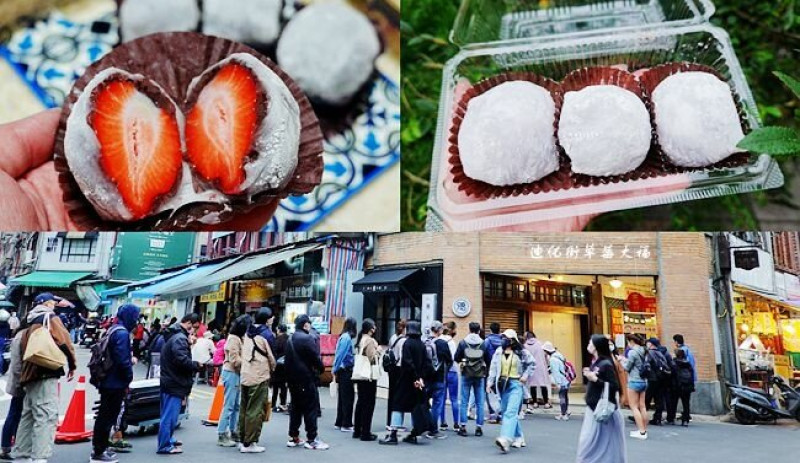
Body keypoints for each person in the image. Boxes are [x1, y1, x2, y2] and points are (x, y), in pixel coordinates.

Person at [14, 293, 77, 463]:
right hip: (45, 370)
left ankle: (21, 454)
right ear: (47, 303)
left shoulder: (28, 319)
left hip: (29, 372)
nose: (55, 305)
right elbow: (64, 341)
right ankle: (39, 457)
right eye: (53, 302)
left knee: (28, 415)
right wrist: (72, 364)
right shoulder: (50, 317)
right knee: (46, 415)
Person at [90, 304, 140, 463]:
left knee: (105, 415)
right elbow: (122, 360)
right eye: (135, 316)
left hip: (107, 379)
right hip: (114, 382)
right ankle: (98, 452)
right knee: (107, 416)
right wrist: (128, 377)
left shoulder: (113, 329)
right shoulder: (122, 333)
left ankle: (101, 448)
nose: (137, 319)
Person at [576, 335, 627, 463]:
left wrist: (595, 379)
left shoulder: (606, 363)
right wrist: (590, 374)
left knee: (593, 441)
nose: (588, 344)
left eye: (590, 342)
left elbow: (614, 385)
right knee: (595, 441)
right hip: (595, 407)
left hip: (601, 408)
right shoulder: (598, 362)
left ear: (596, 346)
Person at [157, 313, 201, 455]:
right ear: (188, 323)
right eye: (194, 327)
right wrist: (196, 365)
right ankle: (165, 445)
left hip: (169, 380)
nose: (194, 331)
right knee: (170, 416)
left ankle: (167, 439)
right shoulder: (180, 338)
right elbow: (181, 360)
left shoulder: (175, 335)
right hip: (174, 381)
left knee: (168, 415)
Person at [380, 320, 429, 445]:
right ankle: (414, 433)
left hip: (406, 379)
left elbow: (407, 362)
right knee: (415, 406)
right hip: (418, 382)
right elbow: (426, 363)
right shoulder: (422, 345)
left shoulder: (408, 344)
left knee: (398, 405)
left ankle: (393, 434)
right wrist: (420, 379)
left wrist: (414, 377)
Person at [285, 314, 329, 450]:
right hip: (305, 378)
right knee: (311, 408)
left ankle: (294, 436)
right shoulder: (307, 338)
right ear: (305, 325)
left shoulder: (290, 338)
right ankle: (312, 439)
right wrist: (321, 369)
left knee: (296, 408)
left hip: (292, 379)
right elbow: (315, 358)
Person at [487, 329, 534, 453]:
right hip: (502, 385)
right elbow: (493, 367)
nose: (503, 340)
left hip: (516, 384)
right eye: (502, 337)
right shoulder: (498, 352)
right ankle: (519, 437)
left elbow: (532, 364)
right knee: (506, 411)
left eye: (506, 338)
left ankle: (506, 439)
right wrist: (489, 382)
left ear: (513, 340)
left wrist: (525, 376)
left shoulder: (521, 352)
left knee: (511, 412)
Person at [239, 308, 277, 453]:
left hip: (246, 373)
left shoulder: (248, 331)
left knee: (244, 408)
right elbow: (272, 357)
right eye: (272, 317)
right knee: (255, 409)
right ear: (267, 319)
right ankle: (250, 443)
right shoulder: (267, 334)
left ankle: (243, 439)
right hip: (260, 374)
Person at [217, 314, 251, 447]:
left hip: (236, 374)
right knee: (229, 405)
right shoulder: (233, 339)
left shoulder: (240, 338)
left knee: (236, 405)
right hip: (231, 373)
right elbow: (234, 360)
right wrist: (248, 364)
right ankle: (222, 433)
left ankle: (233, 431)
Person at [454, 322, 486, 437]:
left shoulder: (463, 343)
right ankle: (479, 428)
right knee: (480, 402)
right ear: (478, 330)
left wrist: (464, 361)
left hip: (466, 373)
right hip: (479, 374)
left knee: (464, 401)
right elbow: (488, 358)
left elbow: (456, 357)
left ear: (469, 329)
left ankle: (463, 427)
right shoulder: (483, 343)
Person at [1, 319, 26, 461]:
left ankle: (8, 446)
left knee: (15, 413)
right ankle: (9, 446)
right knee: (16, 414)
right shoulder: (24, 336)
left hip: (17, 380)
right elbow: (17, 365)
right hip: (20, 381)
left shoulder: (19, 335)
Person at [352, 318, 381, 441]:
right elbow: (372, 358)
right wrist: (378, 351)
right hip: (368, 376)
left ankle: (357, 430)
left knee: (360, 402)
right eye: (374, 326)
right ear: (371, 329)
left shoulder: (361, 339)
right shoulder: (369, 341)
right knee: (369, 404)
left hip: (360, 375)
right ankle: (366, 432)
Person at [425, 321, 451, 439]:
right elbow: (450, 360)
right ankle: (433, 430)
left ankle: (421, 426)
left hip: (426, 377)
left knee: (424, 402)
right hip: (439, 377)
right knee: (437, 403)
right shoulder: (442, 343)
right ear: (440, 330)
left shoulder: (425, 342)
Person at [333, 317, 357, 432]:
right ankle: (346, 423)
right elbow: (340, 355)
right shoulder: (347, 338)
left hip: (342, 371)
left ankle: (340, 421)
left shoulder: (343, 337)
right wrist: (335, 369)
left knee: (342, 398)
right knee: (348, 398)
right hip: (346, 370)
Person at [623, 334, 649, 440]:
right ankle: (644, 429)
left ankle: (641, 432)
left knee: (634, 407)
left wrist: (621, 361)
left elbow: (627, 367)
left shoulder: (632, 352)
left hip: (634, 381)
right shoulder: (644, 351)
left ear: (631, 342)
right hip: (644, 381)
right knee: (642, 406)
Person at [645, 338, 674, 426]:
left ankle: (640, 416)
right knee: (659, 399)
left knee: (647, 398)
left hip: (653, 379)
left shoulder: (650, 353)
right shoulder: (661, 353)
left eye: (648, 343)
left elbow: (647, 365)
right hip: (662, 378)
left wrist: (644, 374)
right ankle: (657, 418)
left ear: (651, 344)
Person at [541, 341, 571, 421]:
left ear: (547, 351)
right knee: (565, 396)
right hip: (567, 378)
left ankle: (563, 414)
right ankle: (566, 411)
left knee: (562, 397)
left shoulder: (552, 360)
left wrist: (558, 383)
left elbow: (556, 372)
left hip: (561, 380)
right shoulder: (559, 355)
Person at [385, 320, 406, 428]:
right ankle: (396, 423)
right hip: (399, 369)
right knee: (398, 396)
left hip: (391, 369)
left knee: (391, 395)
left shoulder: (393, 337)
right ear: (404, 328)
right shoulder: (403, 340)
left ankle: (389, 421)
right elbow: (402, 357)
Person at [438, 321, 459, 431]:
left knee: (441, 398)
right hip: (452, 371)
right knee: (454, 398)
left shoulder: (438, 340)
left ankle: (443, 423)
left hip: (441, 372)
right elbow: (454, 357)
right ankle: (456, 424)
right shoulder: (452, 342)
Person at [523, 331, 551, 412]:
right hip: (541, 366)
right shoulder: (540, 344)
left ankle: (535, 402)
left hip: (531, 367)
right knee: (543, 385)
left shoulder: (525, 346)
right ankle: (546, 402)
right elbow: (545, 355)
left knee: (532, 385)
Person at [484, 322, 504, 423]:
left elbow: (483, 354)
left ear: (490, 330)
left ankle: (492, 414)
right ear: (499, 330)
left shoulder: (487, 341)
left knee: (489, 391)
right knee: (500, 391)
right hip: (502, 369)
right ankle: (500, 414)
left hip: (489, 368)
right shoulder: (503, 341)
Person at [672, 349, 695, 426]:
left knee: (674, 402)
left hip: (677, 386)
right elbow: (692, 375)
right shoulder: (687, 363)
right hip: (687, 386)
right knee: (686, 403)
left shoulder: (675, 363)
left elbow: (672, 374)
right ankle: (685, 420)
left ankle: (672, 418)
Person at [271, 324, 289, 413]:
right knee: (283, 386)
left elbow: (274, 350)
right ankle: (283, 403)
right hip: (286, 365)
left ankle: (273, 404)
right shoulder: (289, 339)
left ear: (279, 330)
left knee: (275, 386)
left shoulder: (277, 340)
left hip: (277, 365)